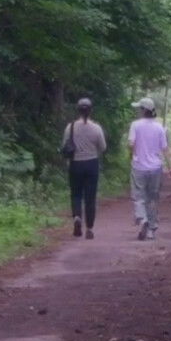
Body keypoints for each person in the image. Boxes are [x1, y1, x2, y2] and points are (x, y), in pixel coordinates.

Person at [128, 96, 171, 240]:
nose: (138, 111)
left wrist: (133, 155)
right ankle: (151, 230)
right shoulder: (159, 127)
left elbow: (131, 143)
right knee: (152, 199)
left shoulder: (135, 125)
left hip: (139, 166)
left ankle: (142, 219)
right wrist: (170, 168)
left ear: (143, 110)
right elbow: (165, 149)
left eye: (139, 108)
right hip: (156, 168)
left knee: (139, 196)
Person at [63, 97, 106, 239]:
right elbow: (103, 147)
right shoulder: (96, 128)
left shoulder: (70, 127)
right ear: (91, 110)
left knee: (76, 194)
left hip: (75, 164)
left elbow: (65, 145)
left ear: (78, 110)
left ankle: (77, 216)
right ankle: (89, 228)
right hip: (92, 164)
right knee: (90, 197)